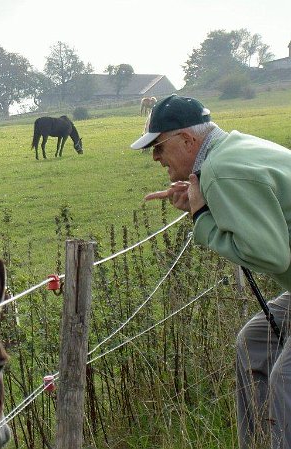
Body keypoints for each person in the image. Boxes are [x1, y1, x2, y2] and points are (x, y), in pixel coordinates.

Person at [131, 94, 291, 449]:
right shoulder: (231, 151)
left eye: (157, 147)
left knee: (285, 377)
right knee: (255, 343)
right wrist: (205, 204)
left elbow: (272, 257)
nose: (155, 158)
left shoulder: (221, 170)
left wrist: (202, 218)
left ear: (187, 139)